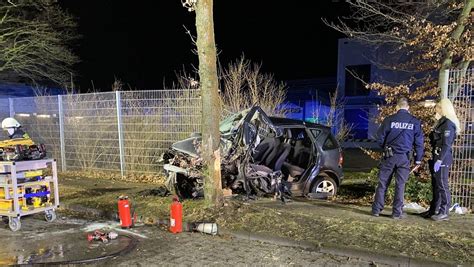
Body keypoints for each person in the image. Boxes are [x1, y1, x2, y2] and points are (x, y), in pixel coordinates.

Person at [372, 97, 424, 219]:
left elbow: (379, 138)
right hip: (405, 158)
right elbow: (419, 143)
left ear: (397, 107)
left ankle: (376, 210)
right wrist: (418, 160)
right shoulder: (415, 122)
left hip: (389, 156)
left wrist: (385, 148)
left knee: (383, 183)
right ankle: (396, 212)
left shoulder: (389, 120)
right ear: (408, 108)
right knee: (400, 185)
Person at [420, 99, 461, 221]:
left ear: (443, 109)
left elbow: (446, 144)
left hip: (442, 157)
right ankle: (434, 209)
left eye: (437, 107)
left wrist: (440, 160)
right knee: (436, 184)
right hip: (436, 155)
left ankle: (444, 211)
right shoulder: (441, 122)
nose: (435, 110)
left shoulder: (448, 124)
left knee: (442, 185)